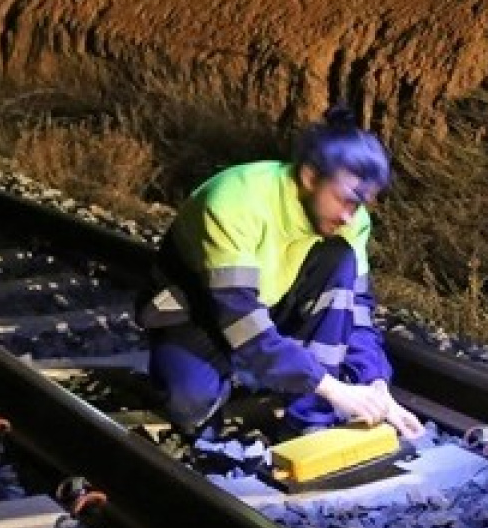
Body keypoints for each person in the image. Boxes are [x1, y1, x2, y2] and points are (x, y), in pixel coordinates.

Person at [137, 110, 424, 443]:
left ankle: (308, 418)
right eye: (345, 200)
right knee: (192, 407)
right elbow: (239, 317)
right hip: (198, 310)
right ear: (309, 176)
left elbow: (356, 312)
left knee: (339, 259)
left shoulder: (351, 221)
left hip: (271, 305)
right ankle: (264, 373)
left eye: (360, 204)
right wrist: (331, 387)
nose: (350, 215)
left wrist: (374, 383)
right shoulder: (237, 201)